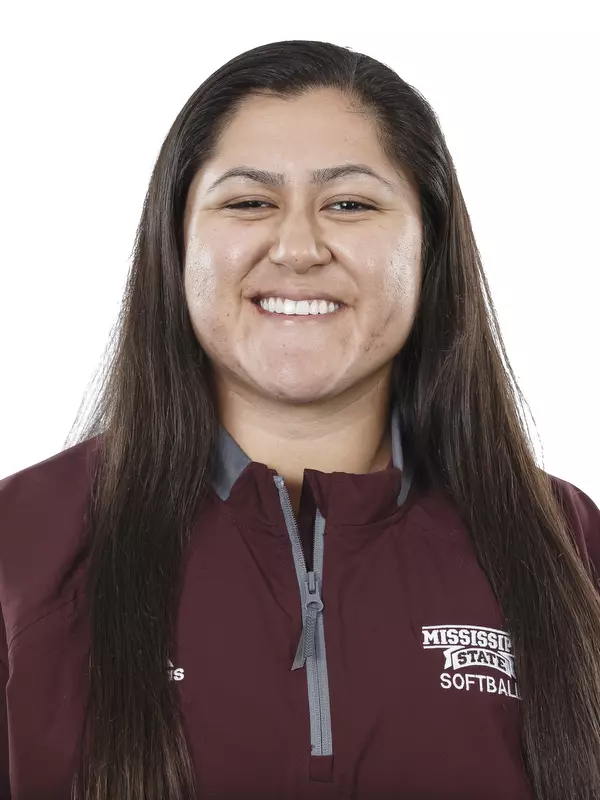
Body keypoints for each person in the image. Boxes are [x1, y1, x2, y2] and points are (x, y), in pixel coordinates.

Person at [0, 39, 599, 800]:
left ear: (430, 244)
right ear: (176, 242)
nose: (298, 247)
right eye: (249, 202)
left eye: (349, 203)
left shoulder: (569, 546)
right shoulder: (20, 546)